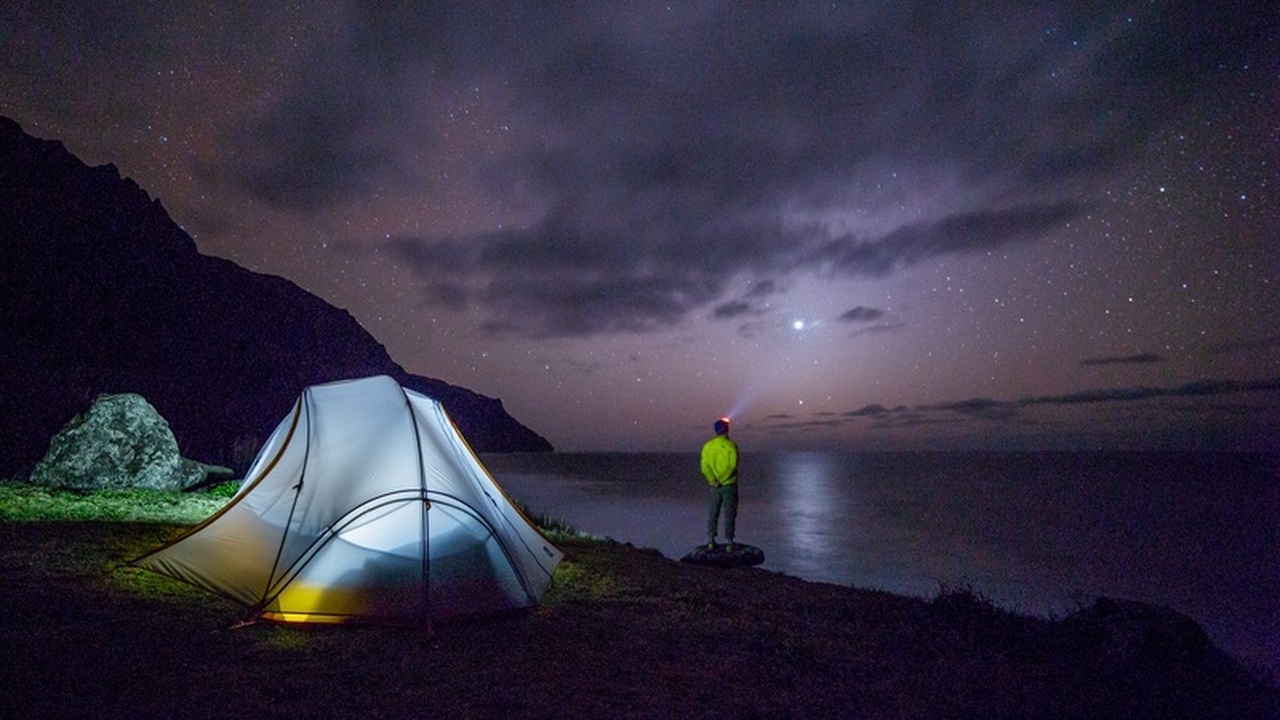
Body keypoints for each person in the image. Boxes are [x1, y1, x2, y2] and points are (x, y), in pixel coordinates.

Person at [700, 417, 739, 551]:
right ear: (726, 430)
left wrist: (713, 480)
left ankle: (711, 541)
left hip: (714, 486)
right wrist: (722, 480)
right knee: (730, 513)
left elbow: (704, 466)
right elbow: (732, 466)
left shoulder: (708, 446)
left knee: (713, 511)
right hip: (729, 484)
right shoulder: (731, 445)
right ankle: (729, 542)